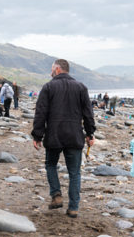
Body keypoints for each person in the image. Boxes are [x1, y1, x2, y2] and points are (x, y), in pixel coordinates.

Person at [31, 59, 96, 218]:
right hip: (74, 135)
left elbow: (41, 113)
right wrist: (90, 133)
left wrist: (37, 135)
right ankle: (73, 207)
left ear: (58, 69)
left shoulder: (48, 87)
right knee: (75, 173)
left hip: (54, 134)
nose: (51, 71)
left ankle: (56, 194)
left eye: (52, 69)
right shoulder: (81, 87)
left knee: (51, 165)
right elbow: (88, 113)